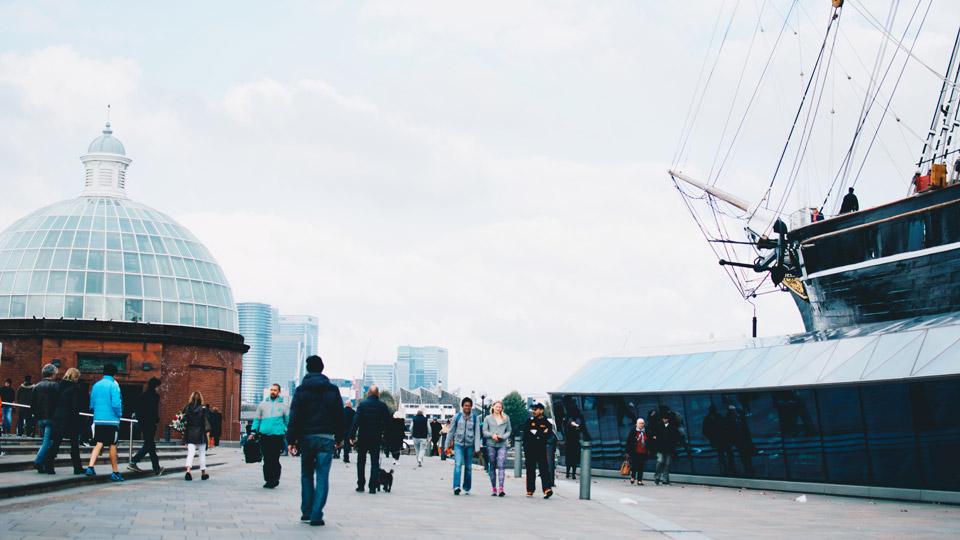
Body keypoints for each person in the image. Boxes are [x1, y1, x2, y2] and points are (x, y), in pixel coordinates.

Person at [286, 355, 344, 527]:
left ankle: (306, 511)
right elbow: (339, 415)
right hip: (326, 438)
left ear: (308, 369)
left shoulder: (301, 390)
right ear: (322, 368)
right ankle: (317, 514)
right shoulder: (332, 390)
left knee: (306, 474)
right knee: (323, 476)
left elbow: (294, 416)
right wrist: (340, 437)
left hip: (306, 437)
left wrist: (291, 439)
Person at [85, 363, 124, 482]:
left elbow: (91, 404)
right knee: (112, 445)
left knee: (99, 443)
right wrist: (119, 415)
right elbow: (116, 404)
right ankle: (115, 472)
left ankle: (90, 467)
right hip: (111, 420)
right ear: (114, 373)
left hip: (98, 419)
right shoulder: (114, 386)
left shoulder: (96, 385)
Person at [348, 385, 390, 494]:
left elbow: (355, 421)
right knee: (374, 463)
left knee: (361, 461)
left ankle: (361, 485)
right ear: (378, 394)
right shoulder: (382, 406)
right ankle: (372, 487)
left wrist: (351, 436)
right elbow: (387, 423)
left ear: (368, 394)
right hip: (376, 438)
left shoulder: (362, 405)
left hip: (363, 437)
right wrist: (385, 437)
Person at [252, 383, 289, 488]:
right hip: (264, 436)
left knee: (275, 459)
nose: (273, 392)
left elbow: (288, 421)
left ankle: (275, 478)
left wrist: (285, 431)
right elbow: (256, 420)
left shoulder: (284, 406)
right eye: (271, 390)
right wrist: (253, 432)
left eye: (275, 390)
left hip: (277, 437)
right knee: (267, 459)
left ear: (279, 392)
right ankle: (268, 479)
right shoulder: (262, 404)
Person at [49, 368, 85, 475]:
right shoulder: (75, 388)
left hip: (58, 417)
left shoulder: (58, 386)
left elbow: (53, 402)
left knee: (56, 443)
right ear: (75, 377)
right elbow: (75, 406)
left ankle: (49, 465)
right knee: (74, 444)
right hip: (71, 419)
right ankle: (77, 467)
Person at [446, 397, 482, 496]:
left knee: (468, 467)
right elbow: (451, 431)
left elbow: (477, 433)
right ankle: (456, 487)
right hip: (459, 444)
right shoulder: (457, 417)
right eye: (465, 405)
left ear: (471, 407)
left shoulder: (475, 418)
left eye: (469, 406)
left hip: (470, 445)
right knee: (458, 464)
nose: (467, 407)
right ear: (462, 406)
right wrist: (446, 445)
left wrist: (477, 448)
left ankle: (467, 487)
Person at [128, 377, 163, 475]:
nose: (159, 388)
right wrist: (156, 419)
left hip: (143, 424)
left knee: (150, 445)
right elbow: (154, 410)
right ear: (156, 386)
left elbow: (138, 410)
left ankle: (156, 468)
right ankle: (134, 461)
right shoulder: (155, 396)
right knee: (149, 445)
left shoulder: (142, 396)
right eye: (158, 386)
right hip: (150, 424)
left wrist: (140, 421)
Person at [31, 363, 60, 473]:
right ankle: (38, 461)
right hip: (51, 417)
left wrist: (36, 415)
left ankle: (42, 462)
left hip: (40, 417)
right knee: (47, 442)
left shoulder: (37, 386)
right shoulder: (55, 386)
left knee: (46, 441)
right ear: (52, 374)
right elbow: (57, 402)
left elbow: (32, 404)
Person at [522, 402, 554, 499]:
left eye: (536, 409)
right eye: (533, 409)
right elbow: (526, 435)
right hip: (530, 449)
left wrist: (538, 434)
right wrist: (540, 433)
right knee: (530, 470)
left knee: (544, 469)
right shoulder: (529, 421)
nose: (534, 411)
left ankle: (547, 489)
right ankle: (530, 490)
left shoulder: (547, 423)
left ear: (541, 410)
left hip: (541, 449)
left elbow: (548, 434)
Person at [482, 400, 512, 497]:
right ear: (493, 407)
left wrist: (503, 436)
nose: (498, 408)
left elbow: (509, 430)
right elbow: (484, 431)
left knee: (501, 464)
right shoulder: (488, 418)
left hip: (502, 444)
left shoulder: (506, 418)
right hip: (491, 444)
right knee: (492, 465)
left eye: (500, 407)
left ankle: (501, 488)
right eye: (497, 406)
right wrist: (492, 435)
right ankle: (494, 488)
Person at [182, 391, 211, 481]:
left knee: (191, 453)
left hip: (190, 433)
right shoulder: (204, 408)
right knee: (202, 454)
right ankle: (203, 473)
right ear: (200, 398)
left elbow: (182, 420)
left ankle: (188, 471)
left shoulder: (187, 408)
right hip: (201, 433)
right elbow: (207, 422)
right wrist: (208, 434)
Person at [702, 405, 732, 474]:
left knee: (722, 453)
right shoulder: (718, 416)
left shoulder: (708, 419)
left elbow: (705, 431)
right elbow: (725, 426)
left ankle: (726, 467)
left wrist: (711, 437)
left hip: (718, 439)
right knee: (726, 453)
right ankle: (728, 467)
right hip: (721, 438)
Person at [725, 405, 754, 476]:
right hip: (739, 442)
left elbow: (745, 429)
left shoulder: (738, 419)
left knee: (746, 455)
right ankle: (747, 468)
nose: (734, 412)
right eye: (733, 411)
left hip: (743, 441)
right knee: (744, 456)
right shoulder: (731, 421)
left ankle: (749, 468)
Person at [652, 412, 680, 486]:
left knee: (667, 464)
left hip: (669, 448)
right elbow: (654, 436)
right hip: (660, 448)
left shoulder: (672, 427)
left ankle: (664, 479)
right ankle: (657, 477)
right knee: (660, 462)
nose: (665, 420)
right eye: (664, 418)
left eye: (666, 418)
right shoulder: (658, 426)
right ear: (662, 419)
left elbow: (676, 436)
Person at [625, 418, 650, 485]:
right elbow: (629, 441)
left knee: (641, 466)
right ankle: (632, 477)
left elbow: (649, 439)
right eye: (640, 423)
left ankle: (639, 480)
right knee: (634, 465)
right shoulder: (633, 430)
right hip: (635, 451)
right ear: (636, 424)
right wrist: (627, 452)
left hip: (643, 451)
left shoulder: (646, 431)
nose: (641, 425)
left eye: (642, 423)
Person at [563, 413, 583, 479]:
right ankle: (570, 474)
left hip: (572, 445)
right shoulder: (569, 429)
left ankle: (570, 474)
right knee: (571, 461)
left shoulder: (571, 429)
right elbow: (570, 424)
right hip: (571, 445)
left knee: (572, 461)